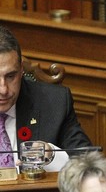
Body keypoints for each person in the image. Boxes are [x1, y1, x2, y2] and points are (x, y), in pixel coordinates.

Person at [0, 25, 92, 171]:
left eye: (10, 76)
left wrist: (53, 156)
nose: (3, 89)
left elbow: (89, 163)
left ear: (21, 70)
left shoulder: (54, 102)